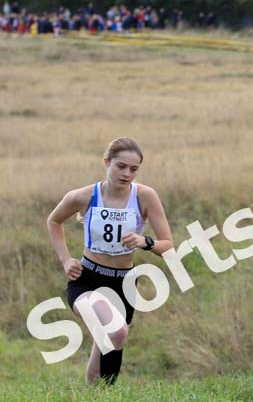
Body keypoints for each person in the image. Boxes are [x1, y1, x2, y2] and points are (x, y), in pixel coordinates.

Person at [46, 138, 173, 385]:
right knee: (117, 331)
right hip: (87, 279)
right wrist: (65, 260)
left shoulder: (145, 196)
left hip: (124, 283)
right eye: (121, 166)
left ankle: (99, 394)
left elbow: (167, 244)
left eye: (134, 169)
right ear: (107, 162)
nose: (127, 174)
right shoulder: (83, 196)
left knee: (111, 341)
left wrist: (145, 242)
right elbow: (53, 221)